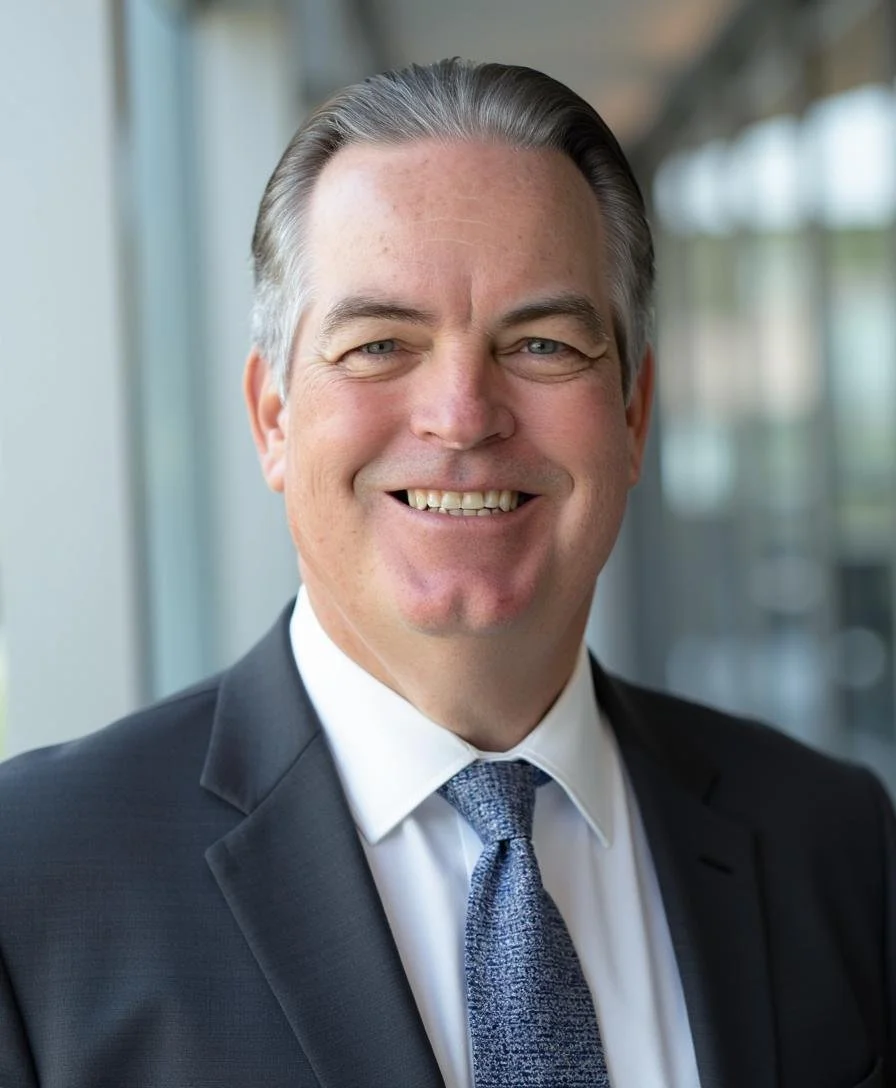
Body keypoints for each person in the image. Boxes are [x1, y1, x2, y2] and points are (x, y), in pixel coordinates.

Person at [0, 58, 893, 1088]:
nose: (463, 415)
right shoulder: (32, 883)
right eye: (380, 344)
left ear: (634, 415)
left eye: (542, 344)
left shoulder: (835, 842)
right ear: (273, 419)